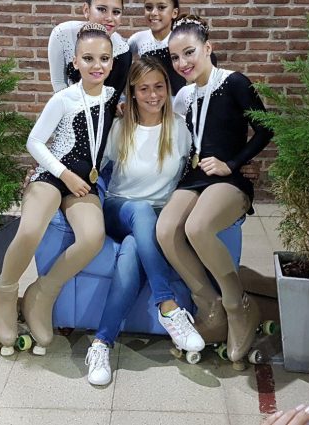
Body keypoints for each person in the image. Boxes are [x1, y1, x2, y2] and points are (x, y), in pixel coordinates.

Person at [0, 23, 117, 356]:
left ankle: (42, 293)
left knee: (93, 237)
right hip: (52, 174)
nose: (97, 65)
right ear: (75, 61)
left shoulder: (113, 98)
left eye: (104, 58)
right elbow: (34, 142)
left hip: (84, 182)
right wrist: (64, 174)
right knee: (31, 229)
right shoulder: (64, 99)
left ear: (112, 61)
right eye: (88, 58)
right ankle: (4, 291)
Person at [156, 15, 274, 363]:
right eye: (175, 57)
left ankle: (238, 305)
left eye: (189, 52)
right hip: (194, 176)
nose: (182, 63)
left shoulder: (234, 82)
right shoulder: (184, 96)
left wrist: (233, 163)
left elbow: (266, 129)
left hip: (228, 178)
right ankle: (211, 307)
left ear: (207, 48)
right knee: (165, 230)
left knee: (197, 227)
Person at [84, 55, 204, 386]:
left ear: (167, 88)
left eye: (159, 87)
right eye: (144, 89)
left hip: (158, 216)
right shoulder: (120, 128)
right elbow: (89, 167)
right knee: (139, 211)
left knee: (133, 248)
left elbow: (197, 172)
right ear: (133, 93)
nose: (153, 95)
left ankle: (101, 343)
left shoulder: (180, 129)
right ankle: (168, 305)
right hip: (119, 208)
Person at [127, 0, 218, 97]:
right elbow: (123, 62)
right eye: (149, 7)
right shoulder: (137, 39)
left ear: (174, 12)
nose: (153, 13)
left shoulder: (182, 39)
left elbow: (208, 61)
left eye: (161, 7)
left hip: (181, 101)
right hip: (153, 101)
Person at [48, 0, 132, 103]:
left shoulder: (123, 51)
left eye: (116, 12)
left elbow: (117, 96)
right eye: (102, 9)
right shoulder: (63, 34)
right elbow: (59, 83)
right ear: (86, 10)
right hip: (68, 107)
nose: (109, 18)